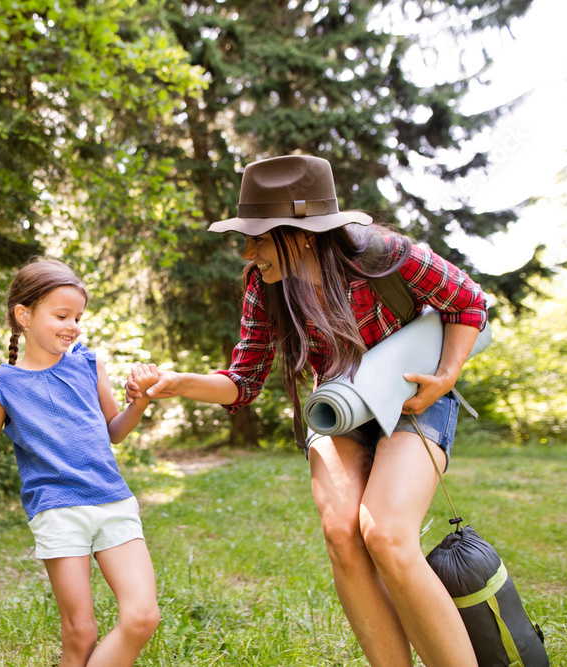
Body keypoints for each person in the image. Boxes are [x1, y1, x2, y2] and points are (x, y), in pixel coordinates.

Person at [128, 155, 487, 666]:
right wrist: (180, 383)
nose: (248, 253)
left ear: (300, 235)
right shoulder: (265, 285)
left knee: (386, 535)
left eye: (257, 238)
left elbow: (468, 301)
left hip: (415, 398)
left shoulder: (386, 255)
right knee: (342, 532)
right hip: (339, 409)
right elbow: (243, 382)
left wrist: (446, 375)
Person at [0, 259, 161, 667]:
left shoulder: (89, 364)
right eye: (62, 316)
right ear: (24, 315)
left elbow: (114, 431)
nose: (73, 326)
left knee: (142, 617)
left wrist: (139, 403)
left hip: (113, 500)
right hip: (58, 510)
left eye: (78, 317)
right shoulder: (4, 383)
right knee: (80, 634)